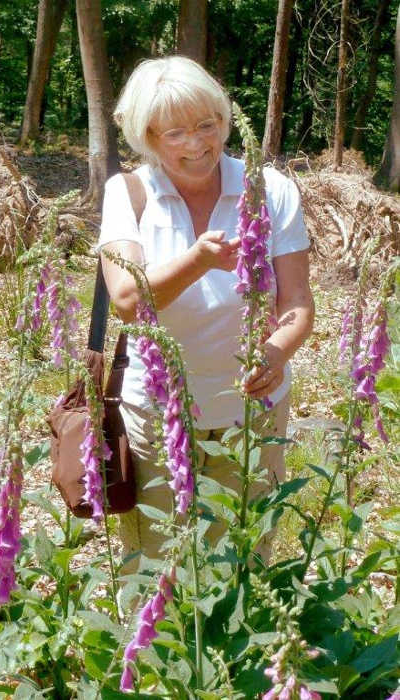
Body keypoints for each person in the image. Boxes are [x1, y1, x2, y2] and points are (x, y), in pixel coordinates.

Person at [97, 56, 314, 579]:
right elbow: (127, 300)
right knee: (158, 563)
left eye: (208, 125)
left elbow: (299, 305)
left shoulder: (271, 190)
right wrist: (200, 260)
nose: (197, 143)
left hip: (253, 413)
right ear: (147, 135)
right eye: (176, 131)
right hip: (156, 412)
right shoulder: (128, 194)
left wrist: (276, 352)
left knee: (243, 559)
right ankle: (154, 660)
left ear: (224, 120)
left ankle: (238, 658)